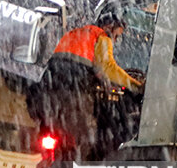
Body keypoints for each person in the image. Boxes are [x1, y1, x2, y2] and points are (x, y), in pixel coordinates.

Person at [28, 12, 142, 155]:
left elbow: (93, 68)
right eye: (116, 36)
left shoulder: (74, 33)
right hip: (72, 89)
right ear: (108, 27)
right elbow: (107, 68)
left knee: (53, 132)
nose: (114, 40)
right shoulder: (101, 36)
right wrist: (136, 85)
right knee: (85, 137)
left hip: (47, 90)